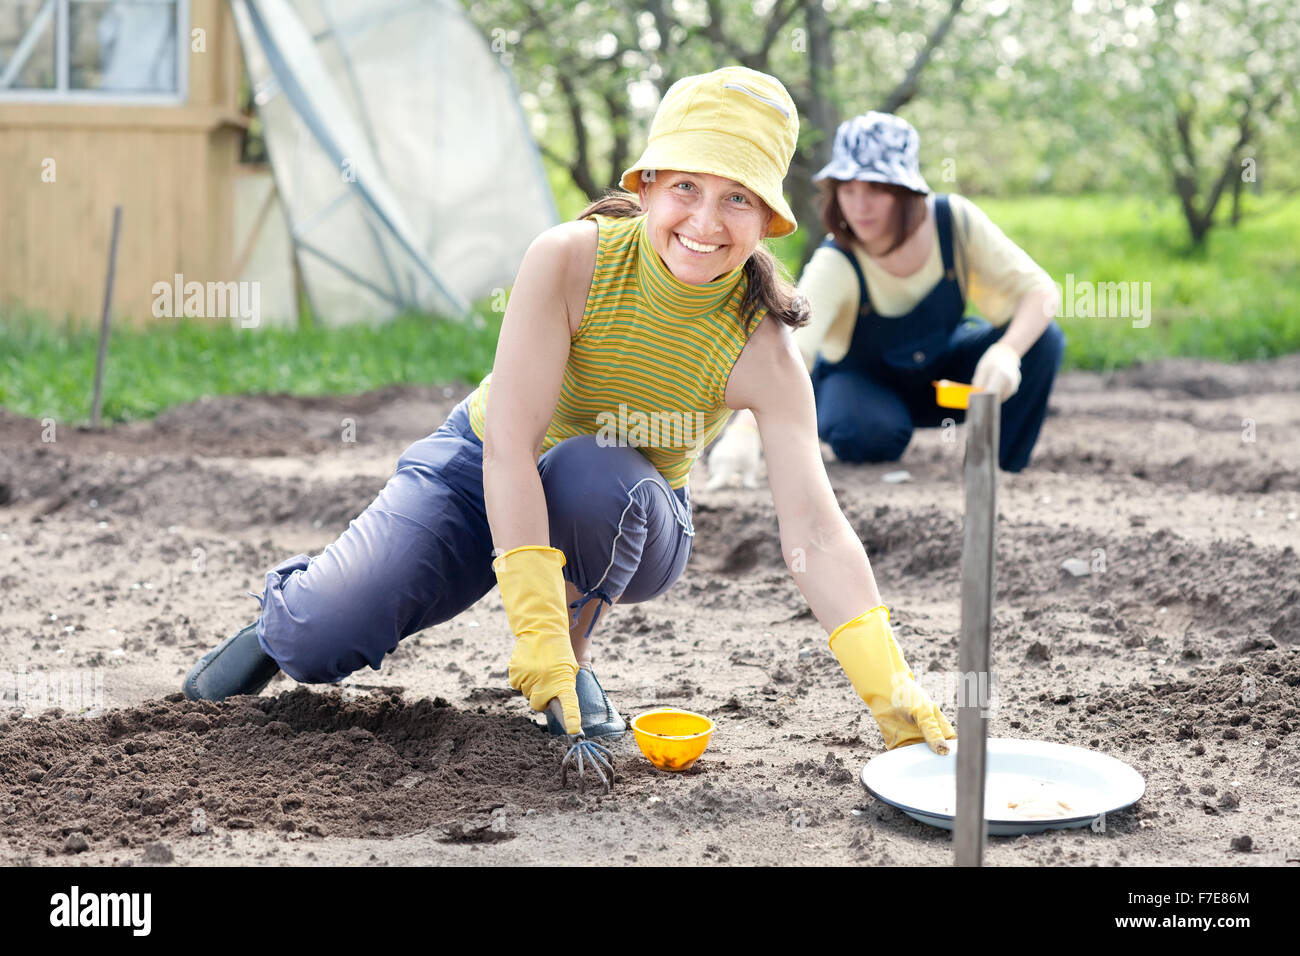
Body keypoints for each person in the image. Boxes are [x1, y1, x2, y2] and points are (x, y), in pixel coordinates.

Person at [182, 69, 954, 756]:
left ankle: (572, 663)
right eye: (686, 187)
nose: (706, 222)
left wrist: (890, 685)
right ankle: (279, 626)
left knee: (593, 467)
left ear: (768, 222)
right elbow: (510, 446)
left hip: (627, 507)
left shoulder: (765, 350)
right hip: (481, 463)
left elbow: (815, 533)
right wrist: (531, 623)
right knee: (324, 635)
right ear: (647, 186)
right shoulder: (569, 259)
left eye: (737, 198)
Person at [708, 112, 1064, 482]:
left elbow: (1042, 294)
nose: (859, 207)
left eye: (875, 190)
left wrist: (1007, 351)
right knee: (865, 431)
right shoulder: (836, 260)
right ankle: (859, 423)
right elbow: (791, 350)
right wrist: (745, 431)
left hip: (939, 377)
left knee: (1044, 340)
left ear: (905, 192)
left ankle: (1001, 471)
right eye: (848, 189)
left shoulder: (953, 223)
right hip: (862, 388)